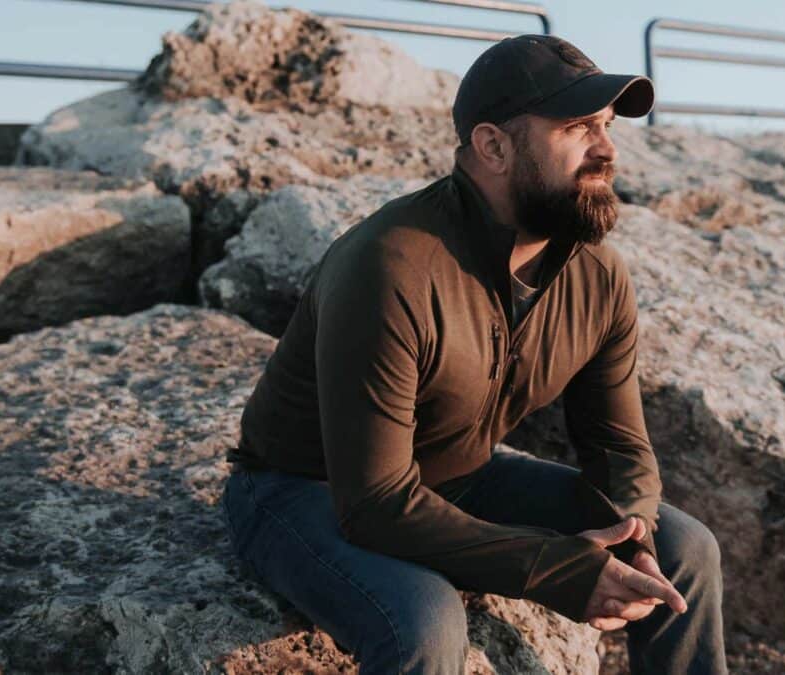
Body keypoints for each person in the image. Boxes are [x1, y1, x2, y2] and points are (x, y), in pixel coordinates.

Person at [220, 33, 728, 675]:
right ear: (492, 146)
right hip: (304, 489)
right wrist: (553, 568)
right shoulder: (390, 265)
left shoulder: (596, 273)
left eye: (605, 126)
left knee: (687, 545)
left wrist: (635, 538)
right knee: (424, 619)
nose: (607, 149)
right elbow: (374, 502)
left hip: (457, 476)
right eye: (579, 128)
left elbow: (618, 448)